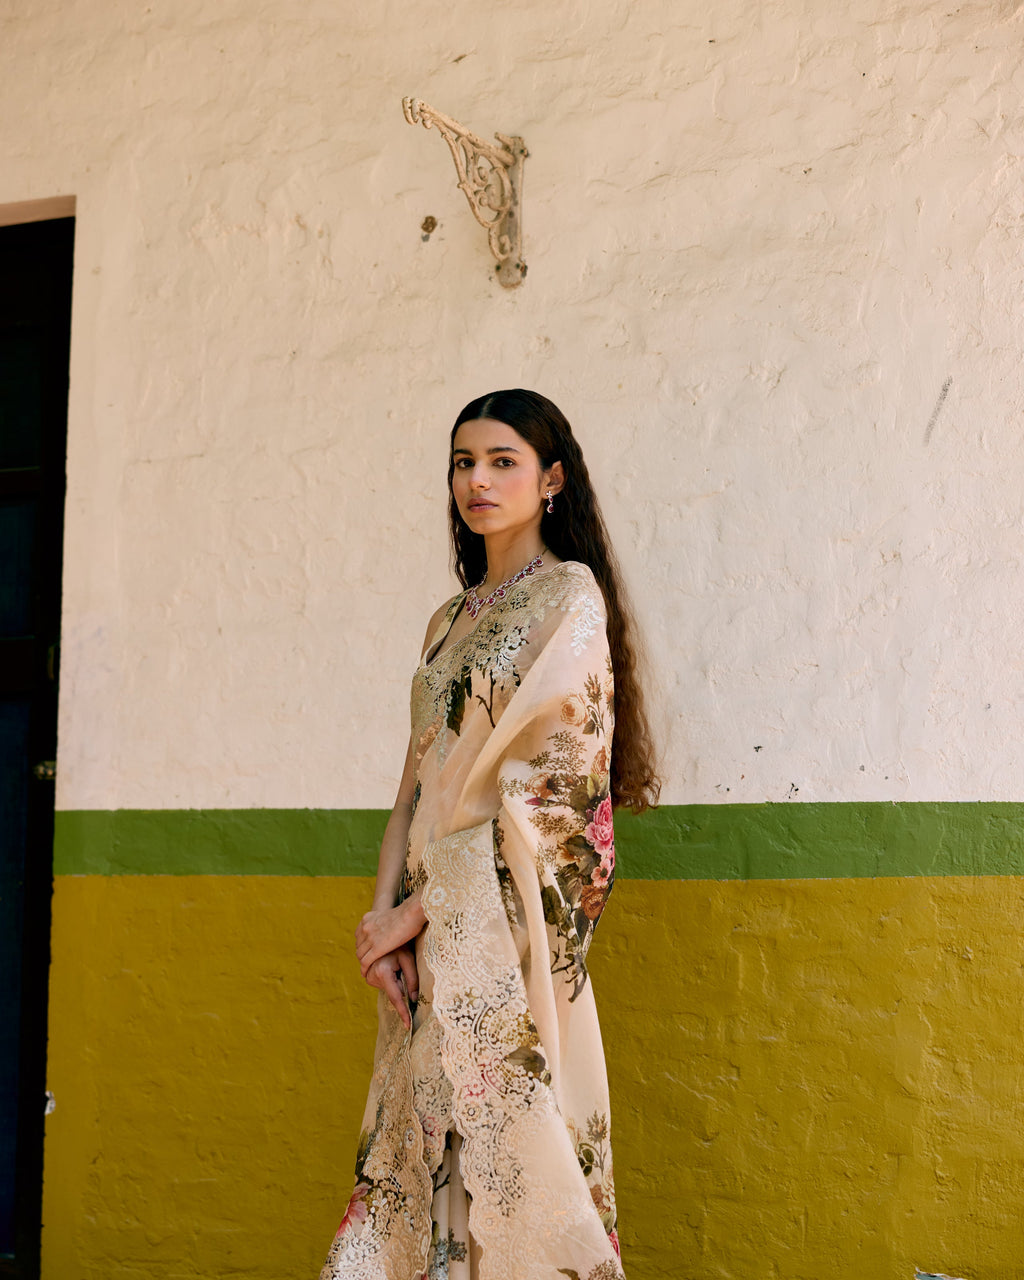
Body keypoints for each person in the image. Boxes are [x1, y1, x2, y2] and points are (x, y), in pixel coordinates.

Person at [320, 389, 660, 1280]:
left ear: (550, 479)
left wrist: (421, 913)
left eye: (502, 461)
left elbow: (554, 802)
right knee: (424, 1157)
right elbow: (413, 790)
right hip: (431, 938)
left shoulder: (567, 600)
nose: (477, 480)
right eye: (463, 463)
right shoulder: (449, 620)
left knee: (507, 1155)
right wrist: (382, 917)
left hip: (499, 937)